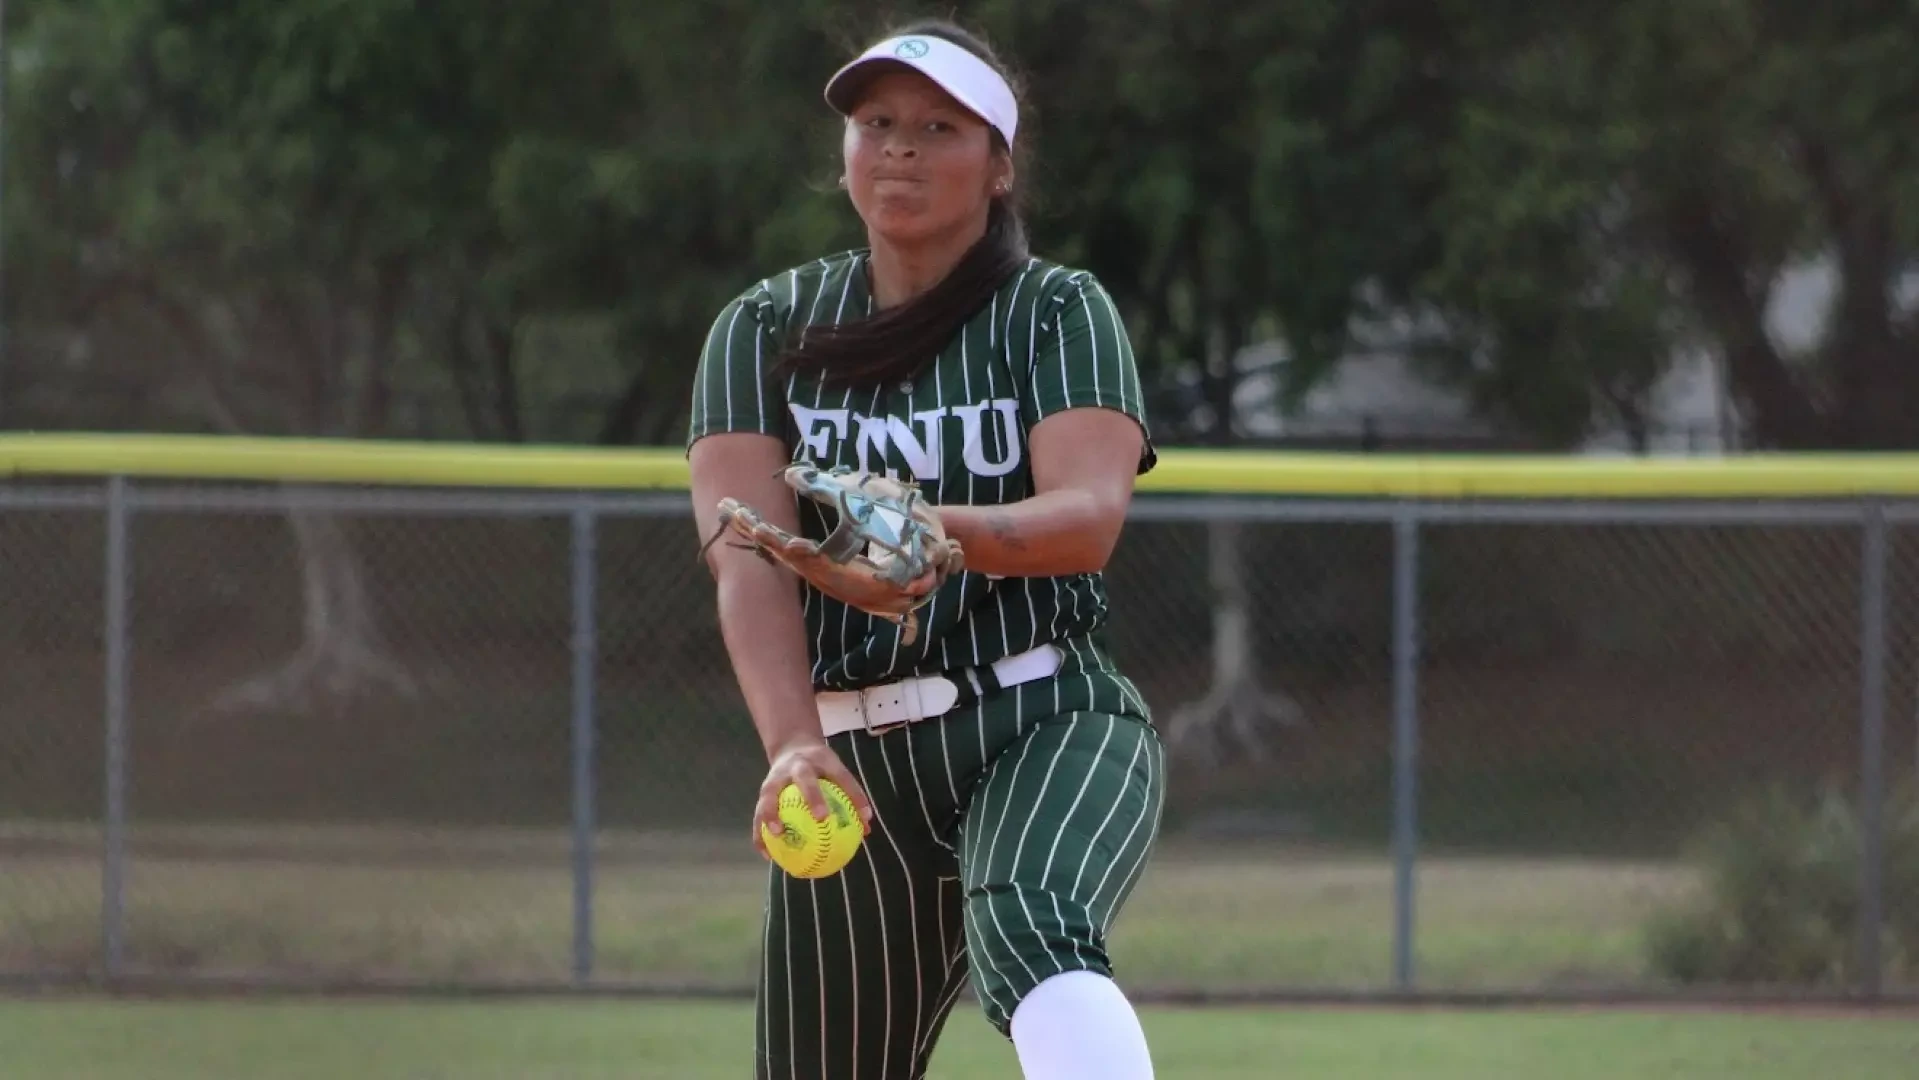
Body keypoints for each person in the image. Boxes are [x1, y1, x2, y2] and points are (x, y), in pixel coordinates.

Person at [685, 17, 1164, 1080]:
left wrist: (940, 535)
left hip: (1035, 715)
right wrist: (791, 744)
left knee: (1030, 921)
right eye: (876, 122)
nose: (898, 146)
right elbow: (745, 556)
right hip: (850, 765)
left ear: (997, 167)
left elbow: (1087, 515)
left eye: (937, 126)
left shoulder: (1053, 311)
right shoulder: (763, 327)